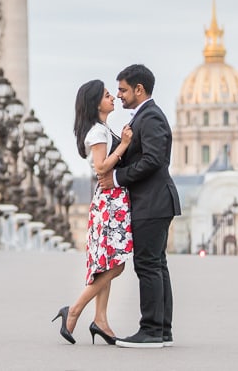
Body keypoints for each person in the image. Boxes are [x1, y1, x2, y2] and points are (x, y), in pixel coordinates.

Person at [97, 64, 181, 348]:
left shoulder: (151, 117)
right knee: (157, 265)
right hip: (155, 201)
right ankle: (163, 330)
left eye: (122, 89)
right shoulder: (144, 117)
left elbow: (154, 159)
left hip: (153, 202)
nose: (119, 95)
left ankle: (151, 330)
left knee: (148, 265)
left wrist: (118, 177)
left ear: (139, 89)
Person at [53, 80, 134, 345]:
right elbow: (101, 168)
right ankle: (74, 310)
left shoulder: (101, 128)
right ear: (95, 103)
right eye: (108, 95)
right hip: (110, 202)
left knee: (107, 264)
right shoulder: (98, 132)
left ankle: (100, 320)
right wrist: (122, 145)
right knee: (117, 264)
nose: (113, 98)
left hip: (111, 200)